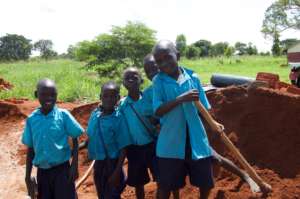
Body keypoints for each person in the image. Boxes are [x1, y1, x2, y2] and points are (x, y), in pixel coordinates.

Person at [143, 53, 261, 194]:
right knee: (168, 182)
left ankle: (244, 174)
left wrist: (213, 123)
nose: (153, 73)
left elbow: (200, 109)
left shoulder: (188, 78)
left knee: (216, 158)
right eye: (148, 71)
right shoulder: (151, 91)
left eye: (155, 68)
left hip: (193, 136)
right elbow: (152, 115)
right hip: (170, 140)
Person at [151, 40, 223, 199]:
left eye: (167, 57)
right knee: (165, 187)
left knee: (205, 183)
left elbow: (204, 108)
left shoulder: (193, 77)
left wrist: (213, 124)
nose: (164, 63)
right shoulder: (158, 82)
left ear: (177, 55)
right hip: (170, 144)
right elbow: (157, 111)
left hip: (196, 141)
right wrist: (179, 99)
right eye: (159, 61)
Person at [22, 78, 83, 199]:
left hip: (62, 171)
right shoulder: (32, 120)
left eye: (52, 95)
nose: (48, 98)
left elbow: (75, 139)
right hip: (42, 173)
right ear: (36, 95)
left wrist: (74, 166)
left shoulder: (63, 115)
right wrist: (27, 175)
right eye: (44, 94)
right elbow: (30, 148)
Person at [84, 81, 132, 199]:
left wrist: (116, 172)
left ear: (118, 98)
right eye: (105, 96)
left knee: (112, 195)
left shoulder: (119, 119)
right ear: (100, 97)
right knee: (102, 194)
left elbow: (123, 147)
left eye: (113, 96)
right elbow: (91, 136)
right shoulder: (95, 115)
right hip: (99, 164)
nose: (109, 99)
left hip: (113, 164)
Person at [118, 67, 157, 199]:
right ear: (123, 84)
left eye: (134, 76)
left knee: (161, 178)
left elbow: (158, 119)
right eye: (127, 78)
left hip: (152, 145)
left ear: (141, 80)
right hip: (133, 149)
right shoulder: (122, 105)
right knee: (138, 183)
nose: (131, 79)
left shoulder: (149, 99)